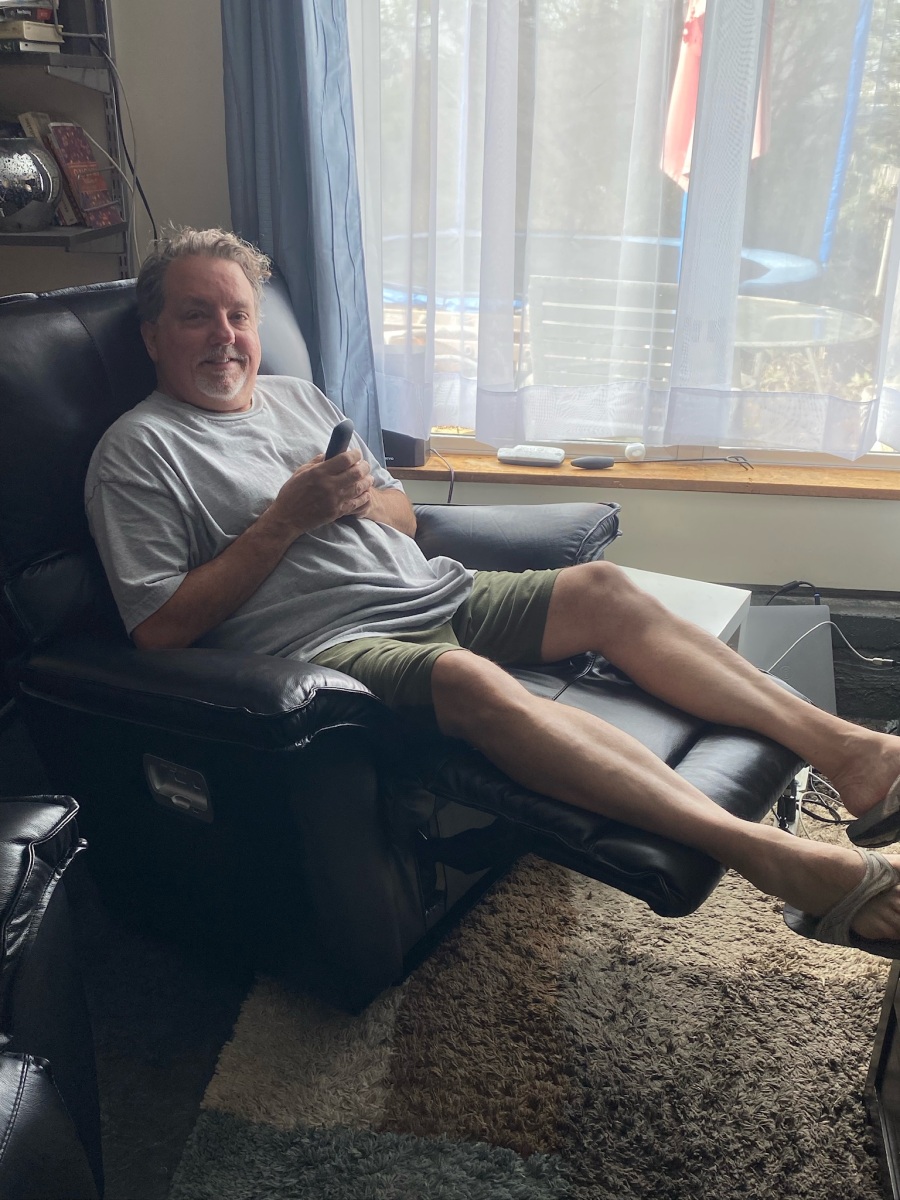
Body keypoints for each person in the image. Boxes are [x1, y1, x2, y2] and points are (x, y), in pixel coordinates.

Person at [85, 226, 900, 958]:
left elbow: (404, 519)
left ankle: (853, 754)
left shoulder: (297, 398)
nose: (225, 336)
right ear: (153, 335)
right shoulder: (137, 452)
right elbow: (159, 629)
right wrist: (284, 521)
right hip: (329, 646)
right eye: (196, 316)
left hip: (433, 592)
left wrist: (358, 498)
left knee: (603, 588)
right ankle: (773, 858)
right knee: (467, 678)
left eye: (239, 315)